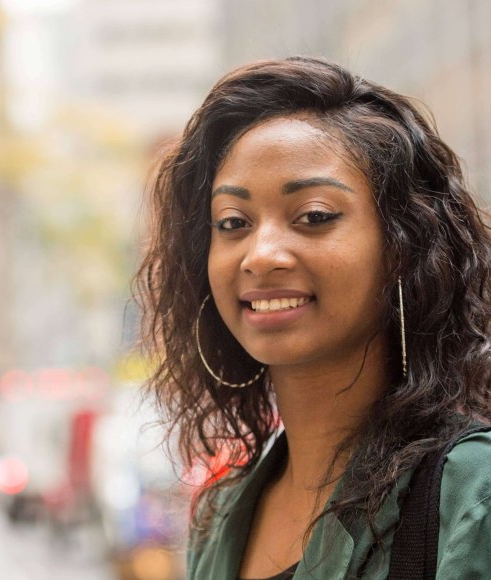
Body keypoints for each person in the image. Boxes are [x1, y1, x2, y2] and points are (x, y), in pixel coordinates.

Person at [133, 56, 491, 579]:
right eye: (232, 222)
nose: (261, 254)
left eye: (314, 217)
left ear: (403, 247)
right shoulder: (219, 515)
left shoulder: (471, 494)